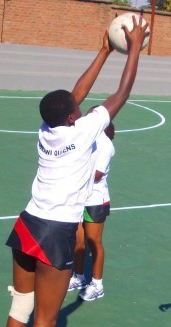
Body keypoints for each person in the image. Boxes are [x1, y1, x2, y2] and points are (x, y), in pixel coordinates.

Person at [0, 18, 149, 327]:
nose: (81, 104)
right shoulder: (83, 132)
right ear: (72, 116)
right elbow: (123, 92)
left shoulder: (48, 130)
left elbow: (72, 95)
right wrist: (133, 48)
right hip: (56, 231)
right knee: (46, 320)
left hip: (27, 223)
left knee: (21, 306)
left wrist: (103, 49)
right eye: (77, 106)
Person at [68, 112, 116, 301]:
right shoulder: (85, 138)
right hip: (80, 198)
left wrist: (73, 173)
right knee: (78, 240)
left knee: (93, 241)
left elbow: (97, 174)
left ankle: (97, 284)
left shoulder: (105, 145)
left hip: (96, 200)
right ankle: (78, 277)